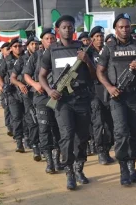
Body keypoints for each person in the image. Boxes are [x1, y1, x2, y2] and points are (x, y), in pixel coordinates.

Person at [39, 15, 97, 190]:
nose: (68, 29)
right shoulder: (51, 51)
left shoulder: (84, 49)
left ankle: (79, 167)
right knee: (67, 135)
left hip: (81, 98)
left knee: (82, 136)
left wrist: (86, 61)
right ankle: (69, 171)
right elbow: (41, 76)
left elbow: (95, 76)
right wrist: (49, 91)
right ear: (58, 30)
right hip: (62, 100)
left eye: (70, 26)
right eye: (64, 27)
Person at [96, 13, 136, 186]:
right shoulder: (109, 48)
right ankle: (123, 169)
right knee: (121, 132)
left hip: (134, 96)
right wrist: (110, 88)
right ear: (115, 29)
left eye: (127, 26)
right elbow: (100, 71)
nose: (125, 29)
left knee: (134, 132)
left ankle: (132, 165)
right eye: (121, 27)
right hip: (117, 97)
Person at [24, 28, 63, 173]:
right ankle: (49, 161)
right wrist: (35, 84)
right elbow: (26, 75)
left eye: (53, 38)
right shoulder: (36, 56)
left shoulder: (61, 53)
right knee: (44, 128)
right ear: (42, 41)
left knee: (58, 128)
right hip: (41, 97)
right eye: (47, 38)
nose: (50, 41)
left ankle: (58, 159)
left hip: (59, 97)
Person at [11, 36, 41, 161]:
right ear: (27, 46)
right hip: (28, 94)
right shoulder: (22, 60)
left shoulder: (43, 55)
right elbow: (12, 78)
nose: (35, 46)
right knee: (31, 119)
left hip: (42, 92)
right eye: (32, 44)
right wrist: (21, 84)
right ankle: (35, 147)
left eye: (36, 44)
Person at [89, 26, 115, 165]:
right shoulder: (88, 52)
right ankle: (101, 152)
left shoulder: (108, 50)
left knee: (111, 124)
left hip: (109, 90)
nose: (99, 39)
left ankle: (108, 147)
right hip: (94, 91)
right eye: (97, 36)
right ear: (92, 38)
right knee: (98, 123)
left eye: (101, 36)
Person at [0, 38, 26, 152]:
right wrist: (3, 86)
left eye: (19, 46)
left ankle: (28, 139)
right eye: (15, 46)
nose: (18, 48)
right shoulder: (7, 60)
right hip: (12, 93)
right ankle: (19, 141)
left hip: (26, 92)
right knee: (16, 117)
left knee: (28, 117)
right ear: (11, 48)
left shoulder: (27, 58)